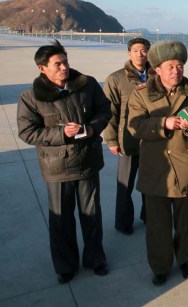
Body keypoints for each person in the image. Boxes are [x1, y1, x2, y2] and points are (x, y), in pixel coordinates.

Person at [17, 40, 110, 284]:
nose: (64, 68)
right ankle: (65, 265)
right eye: (57, 64)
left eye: (65, 62)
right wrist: (61, 134)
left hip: (88, 161)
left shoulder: (87, 84)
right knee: (61, 219)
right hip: (56, 167)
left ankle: (95, 259)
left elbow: (105, 109)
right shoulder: (30, 97)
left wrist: (91, 128)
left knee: (91, 214)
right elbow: (27, 132)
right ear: (42, 69)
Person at [127, 40, 188, 285]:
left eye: (180, 66)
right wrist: (163, 123)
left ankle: (183, 258)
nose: (176, 71)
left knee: (184, 220)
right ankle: (160, 266)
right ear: (157, 69)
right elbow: (135, 127)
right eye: (170, 66)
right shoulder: (142, 93)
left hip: (185, 162)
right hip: (156, 168)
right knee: (157, 224)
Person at [103, 37, 152, 235]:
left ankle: (149, 216)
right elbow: (109, 112)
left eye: (144, 50)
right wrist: (112, 140)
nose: (140, 54)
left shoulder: (157, 74)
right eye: (136, 51)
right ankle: (123, 222)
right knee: (125, 185)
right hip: (127, 139)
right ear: (129, 53)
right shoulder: (116, 78)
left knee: (151, 182)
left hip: (152, 138)